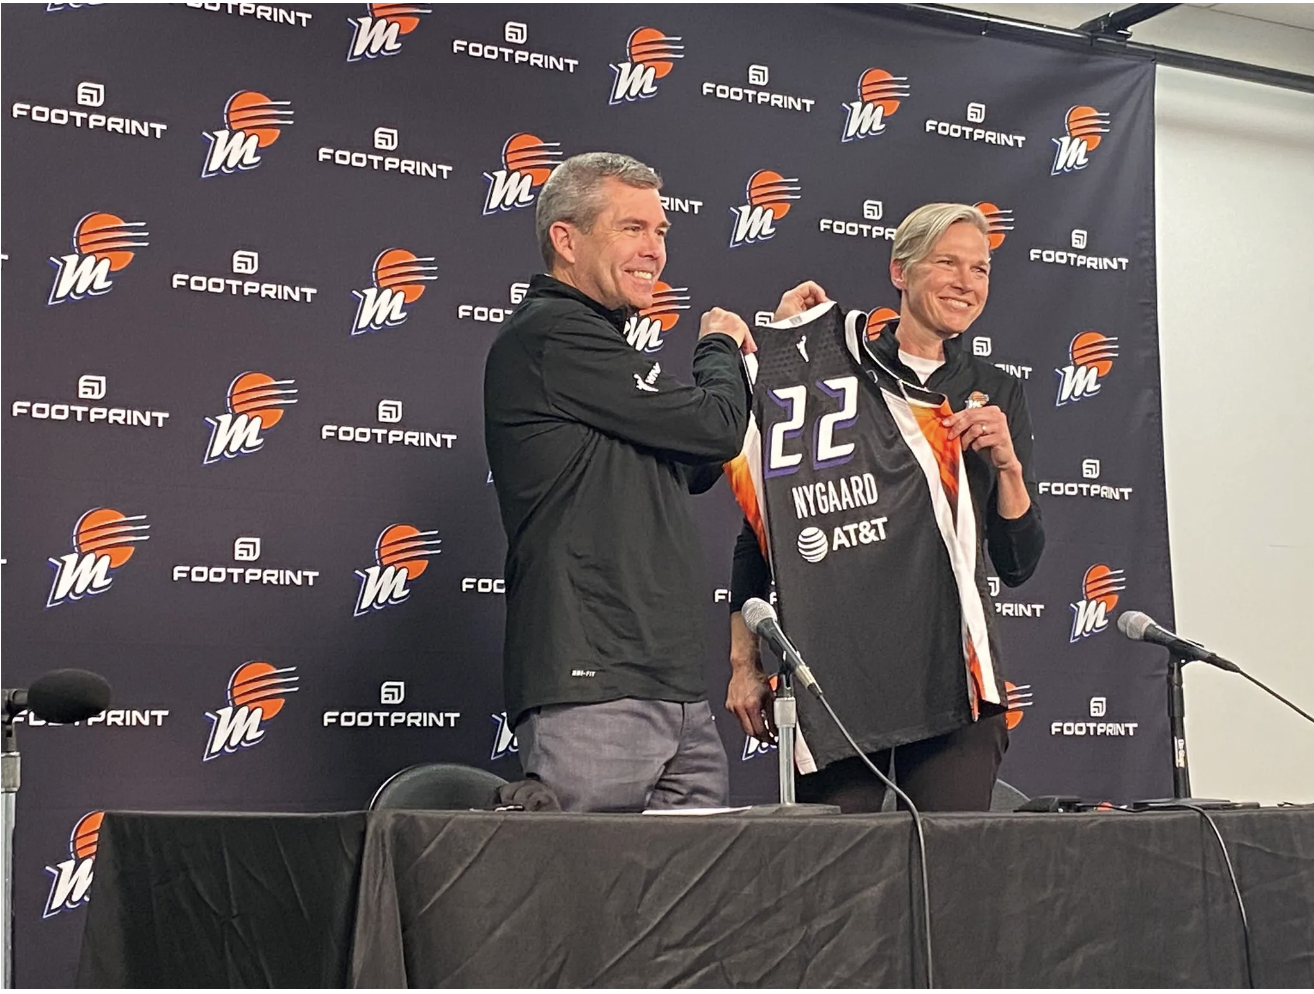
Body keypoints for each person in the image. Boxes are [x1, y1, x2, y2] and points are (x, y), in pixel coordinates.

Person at [725, 203, 1045, 812]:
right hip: (840, 678)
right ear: (900, 271)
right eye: (946, 262)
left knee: (949, 884)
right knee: (842, 890)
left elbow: (1018, 562)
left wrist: (1009, 468)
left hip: (951, 677)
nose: (965, 282)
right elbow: (765, 530)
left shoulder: (997, 391)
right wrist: (744, 662)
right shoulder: (836, 374)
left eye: (980, 269)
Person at [483, 152, 754, 812]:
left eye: (661, 232)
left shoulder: (601, 349)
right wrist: (717, 347)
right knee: (584, 906)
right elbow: (716, 426)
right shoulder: (553, 336)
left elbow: (695, 462)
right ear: (566, 238)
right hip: (594, 684)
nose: (654, 250)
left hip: (673, 685)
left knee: (691, 907)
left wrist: (760, 349)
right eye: (632, 228)